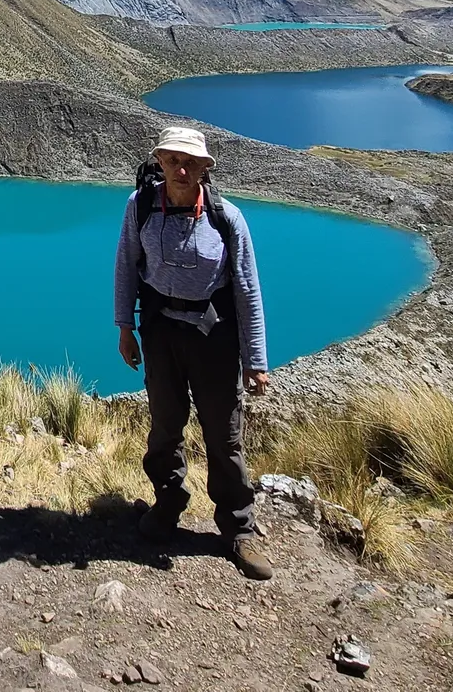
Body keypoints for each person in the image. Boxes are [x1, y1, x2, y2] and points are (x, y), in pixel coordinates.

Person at [113, 124, 274, 580]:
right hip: (160, 330)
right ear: (159, 162)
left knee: (223, 435)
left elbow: (247, 289)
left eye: (191, 164)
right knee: (165, 426)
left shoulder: (227, 218)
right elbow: (126, 265)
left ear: (205, 168)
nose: (181, 170)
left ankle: (238, 530)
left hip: (213, 335)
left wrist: (254, 360)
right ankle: (167, 505)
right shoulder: (141, 205)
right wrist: (126, 327)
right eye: (172, 161)